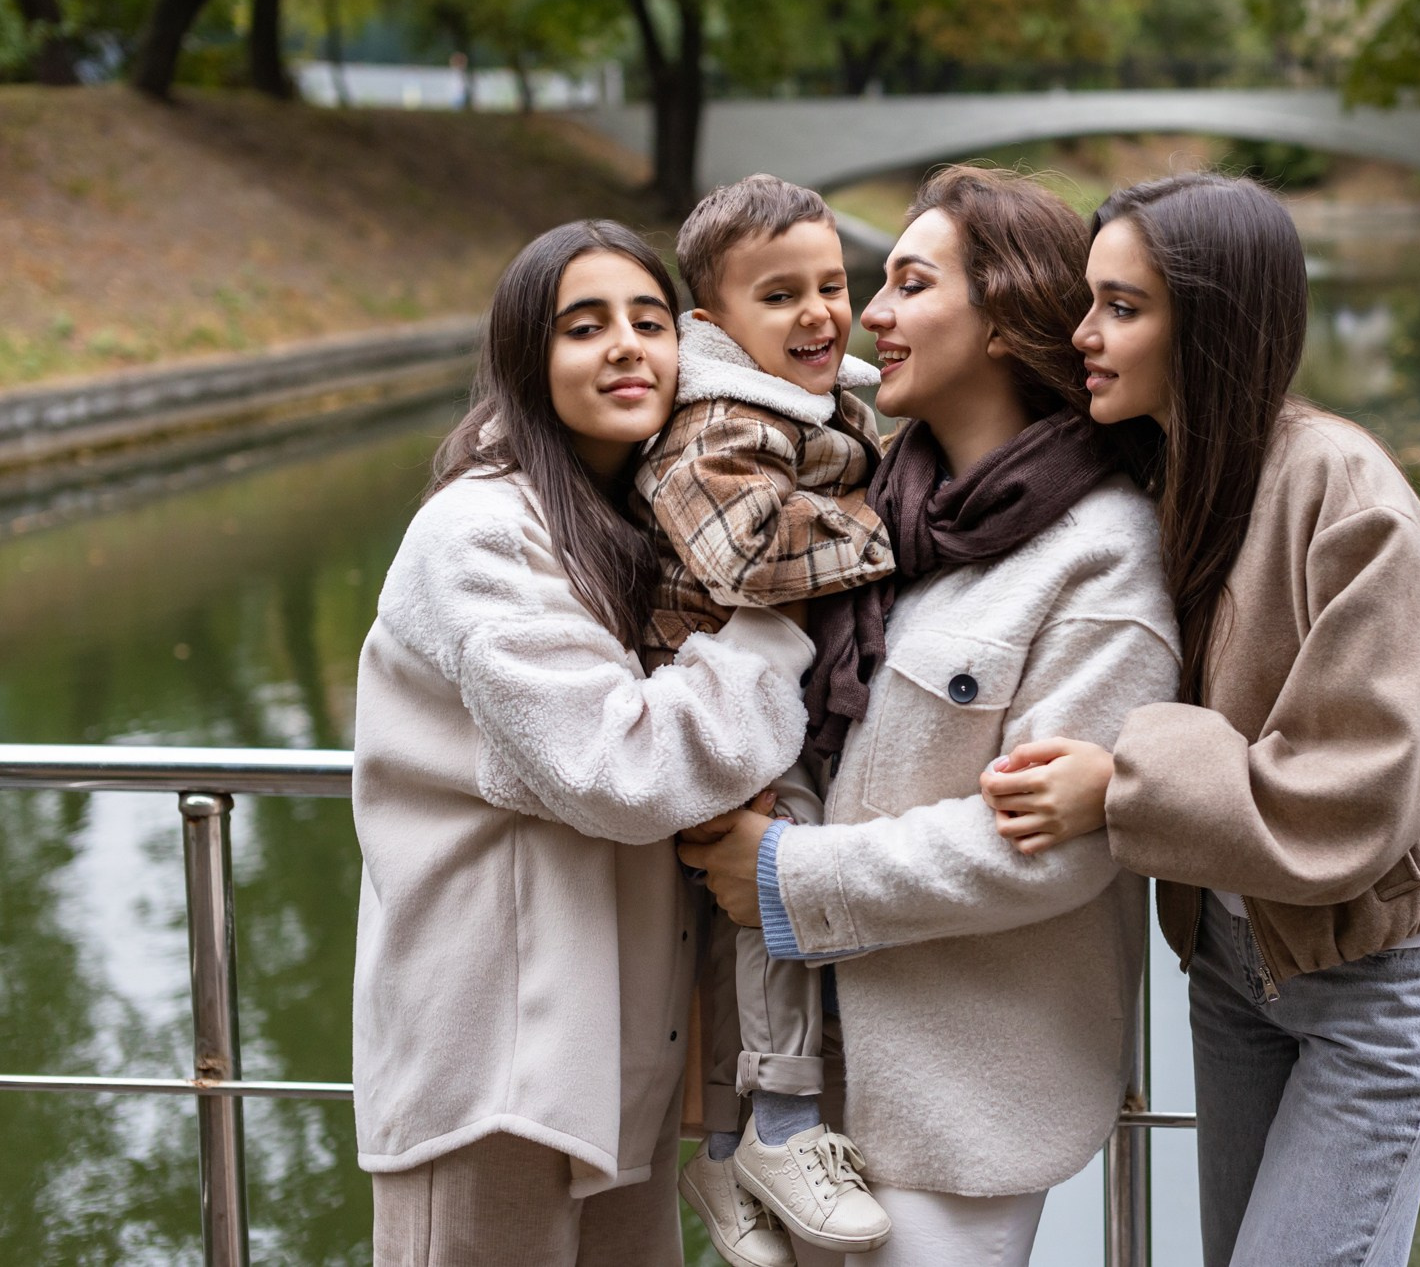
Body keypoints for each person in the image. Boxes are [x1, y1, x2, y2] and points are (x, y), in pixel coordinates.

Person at [979, 173, 1420, 1267]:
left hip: (1377, 973)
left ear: (1214, 320)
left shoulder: (1343, 489)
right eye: (1092, 301)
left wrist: (1119, 785)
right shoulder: (1168, 469)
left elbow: (1355, 787)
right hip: (1234, 963)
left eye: (1122, 308)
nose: (1085, 334)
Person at [679, 167, 1179, 1267]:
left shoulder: (1101, 556)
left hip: (958, 1097)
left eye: (908, 284)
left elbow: (1051, 851)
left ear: (1002, 318)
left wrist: (780, 875)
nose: (868, 313)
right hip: (795, 1089)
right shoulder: (861, 500)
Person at [351, 219, 816, 1267]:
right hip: (493, 1062)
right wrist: (772, 627)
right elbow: (621, 769)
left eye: (648, 320)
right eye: (583, 326)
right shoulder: (478, 532)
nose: (624, 346)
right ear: (526, 359)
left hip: (616, 1056)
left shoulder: (641, 524)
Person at [636, 175, 893, 1265]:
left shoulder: (822, 402)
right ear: (711, 327)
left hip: (772, 692)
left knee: (752, 916)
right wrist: (888, 534)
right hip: (723, 703)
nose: (818, 313)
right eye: (778, 295)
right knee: (775, 882)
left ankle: (726, 1141)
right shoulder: (716, 422)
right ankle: (782, 1118)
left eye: (831, 285)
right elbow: (739, 553)